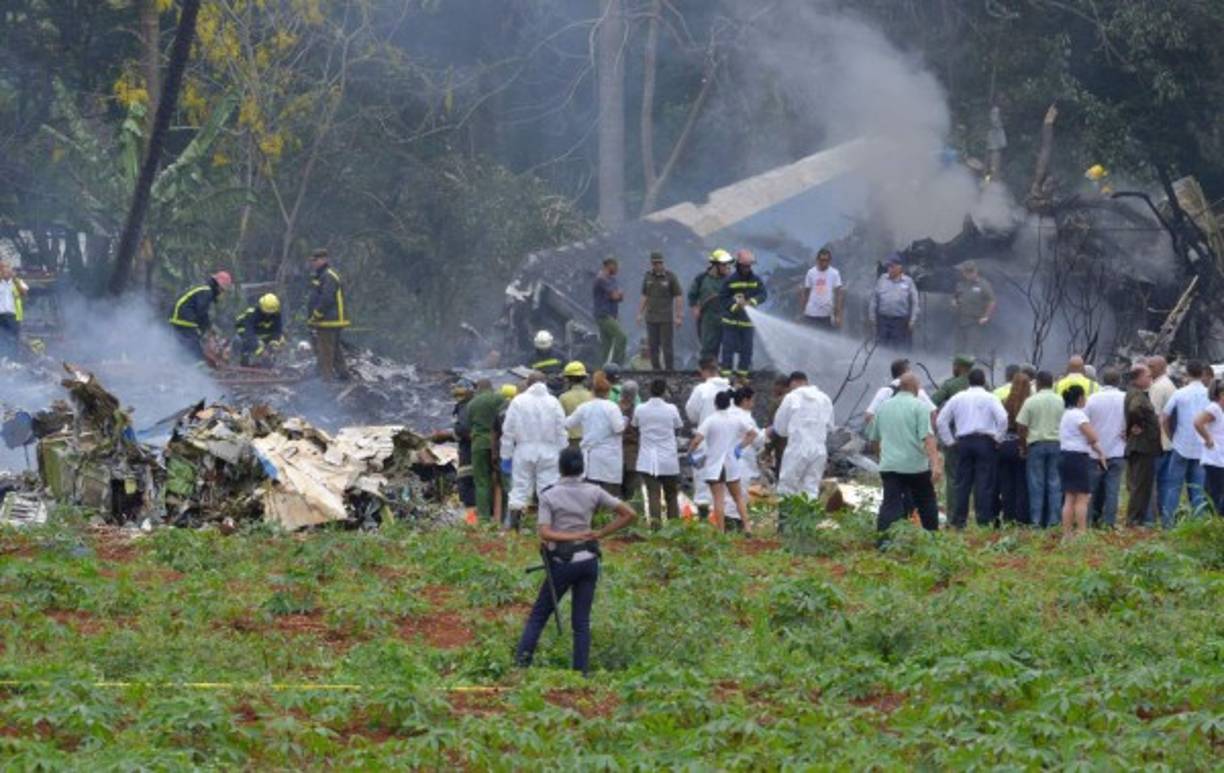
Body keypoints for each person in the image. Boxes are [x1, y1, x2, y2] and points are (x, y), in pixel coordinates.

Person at [514, 446, 636, 676]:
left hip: (562, 562)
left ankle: (520, 666)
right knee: (581, 622)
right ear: (582, 468)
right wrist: (600, 533)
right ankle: (581, 674)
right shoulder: (594, 491)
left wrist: (571, 536)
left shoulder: (549, 495)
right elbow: (629, 514)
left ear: (560, 468)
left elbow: (545, 533)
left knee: (539, 616)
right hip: (588, 560)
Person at [868, 372, 943, 534]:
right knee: (926, 502)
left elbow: (874, 439)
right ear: (915, 387)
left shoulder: (883, 407)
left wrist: (881, 458)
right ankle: (932, 537)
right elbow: (928, 438)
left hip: (890, 466)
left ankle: (883, 541)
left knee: (890, 504)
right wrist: (935, 464)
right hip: (915, 466)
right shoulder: (919, 406)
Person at [936, 368, 1007, 528]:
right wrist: (998, 439)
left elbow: (941, 420)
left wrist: (949, 441)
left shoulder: (958, 397)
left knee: (962, 483)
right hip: (985, 442)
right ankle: (983, 521)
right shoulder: (991, 397)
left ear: (969, 381)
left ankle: (959, 521)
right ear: (984, 381)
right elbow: (1003, 418)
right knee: (984, 483)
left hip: (964, 442)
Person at [500, 373, 568, 531]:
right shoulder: (554, 402)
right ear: (545, 383)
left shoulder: (518, 401)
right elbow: (561, 430)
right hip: (549, 451)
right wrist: (562, 452)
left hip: (523, 450)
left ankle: (514, 528)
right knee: (548, 488)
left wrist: (506, 455)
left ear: (528, 383)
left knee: (519, 488)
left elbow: (508, 431)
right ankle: (548, 528)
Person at [689, 390, 758, 532]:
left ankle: (721, 531)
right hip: (731, 463)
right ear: (729, 403)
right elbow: (753, 434)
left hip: (715, 465)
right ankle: (747, 527)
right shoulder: (736, 419)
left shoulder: (710, 420)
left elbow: (697, 440)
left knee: (718, 499)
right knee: (738, 497)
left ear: (715, 404)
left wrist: (690, 453)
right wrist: (740, 447)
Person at [1160, 360, 1211, 523]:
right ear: (1203, 373)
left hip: (1181, 444)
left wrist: (1171, 436)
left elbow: (1164, 417)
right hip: (1202, 446)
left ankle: (1168, 523)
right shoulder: (1209, 394)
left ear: (1187, 373)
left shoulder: (1180, 393)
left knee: (1173, 487)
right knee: (1198, 489)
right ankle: (1198, 524)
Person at [771, 371, 834, 499]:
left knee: (787, 487)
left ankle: (787, 512)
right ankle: (808, 511)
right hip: (819, 450)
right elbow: (830, 426)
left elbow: (780, 428)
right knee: (811, 488)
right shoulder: (825, 399)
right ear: (806, 381)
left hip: (797, 448)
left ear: (792, 384)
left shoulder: (791, 398)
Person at [565, 372, 627, 497]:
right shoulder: (612, 407)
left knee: (590, 494)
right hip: (609, 456)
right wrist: (625, 419)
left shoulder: (584, 407)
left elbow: (567, 423)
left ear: (592, 391)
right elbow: (619, 429)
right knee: (609, 496)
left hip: (590, 456)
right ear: (608, 392)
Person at [685, 357, 732, 519]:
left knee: (703, 480)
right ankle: (724, 519)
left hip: (705, 440)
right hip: (727, 441)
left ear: (703, 371)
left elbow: (691, 413)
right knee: (726, 480)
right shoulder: (730, 389)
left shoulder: (701, 389)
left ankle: (704, 518)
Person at [1059, 385, 1107, 541]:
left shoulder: (1066, 414)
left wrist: (1100, 452)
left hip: (1065, 456)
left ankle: (1067, 534)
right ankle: (1081, 532)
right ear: (1080, 398)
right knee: (1082, 497)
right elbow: (1093, 437)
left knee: (1069, 497)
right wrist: (1099, 449)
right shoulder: (1079, 415)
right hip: (1078, 458)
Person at [1017, 370, 1065, 528]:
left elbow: (1022, 426)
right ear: (1052, 383)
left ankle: (1036, 521)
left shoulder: (1031, 401)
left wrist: (1023, 446)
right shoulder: (1061, 400)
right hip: (1056, 444)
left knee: (1036, 484)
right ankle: (1054, 520)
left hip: (1036, 445)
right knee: (1055, 483)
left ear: (1037, 383)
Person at [634, 379, 683, 528]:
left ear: (649, 390)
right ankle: (674, 528)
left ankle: (656, 529)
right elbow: (678, 425)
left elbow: (634, 425)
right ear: (664, 391)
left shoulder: (640, 409)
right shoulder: (671, 409)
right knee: (671, 495)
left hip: (647, 459)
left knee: (653, 494)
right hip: (668, 459)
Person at [1083, 367, 1127, 528]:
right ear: (1119, 381)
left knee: (1090, 490)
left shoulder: (1092, 399)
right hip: (1117, 450)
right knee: (1112, 490)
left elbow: (1083, 422)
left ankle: (1087, 521)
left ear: (1102, 380)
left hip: (1094, 451)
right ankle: (1109, 523)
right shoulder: (1125, 398)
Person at [932, 354, 975, 509]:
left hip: (954, 438)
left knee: (953, 477)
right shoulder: (983, 384)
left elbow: (932, 402)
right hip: (979, 438)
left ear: (958, 367)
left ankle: (954, 513)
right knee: (977, 478)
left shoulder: (950, 384)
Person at [719, 249, 767, 377]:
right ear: (738, 265)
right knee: (728, 350)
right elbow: (723, 298)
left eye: (749, 266)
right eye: (745, 266)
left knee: (746, 351)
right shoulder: (730, 280)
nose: (747, 269)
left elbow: (763, 294)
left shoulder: (756, 279)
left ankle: (742, 376)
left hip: (747, 323)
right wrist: (735, 306)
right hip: (730, 322)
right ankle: (726, 376)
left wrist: (752, 301)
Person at [1124, 364, 1161, 528]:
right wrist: (1138, 424)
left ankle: (1136, 519)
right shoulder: (1137, 395)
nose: (1150, 379)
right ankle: (1134, 521)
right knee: (1140, 486)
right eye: (1148, 376)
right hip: (1143, 446)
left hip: (1142, 446)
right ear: (1138, 378)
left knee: (1139, 484)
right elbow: (1134, 409)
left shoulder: (1134, 393)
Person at [466, 381, 508, 522]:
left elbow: (468, 426)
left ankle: (484, 518)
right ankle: (505, 517)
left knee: (482, 482)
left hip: (479, 444)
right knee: (504, 481)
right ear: (491, 387)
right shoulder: (501, 399)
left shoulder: (472, 404)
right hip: (500, 445)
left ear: (478, 389)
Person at [305, 249, 350, 381]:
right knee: (334, 349)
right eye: (312, 260)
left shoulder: (328, 276)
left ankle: (326, 381)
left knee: (325, 351)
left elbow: (326, 299)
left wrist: (316, 315)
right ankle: (343, 375)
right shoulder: (322, 275)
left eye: (316, 260)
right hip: (330, 319)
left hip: (328, 320)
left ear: (324, 259)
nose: (313, 263)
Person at [169, 271, 232, 360]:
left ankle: (178, 363)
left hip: (179, 316)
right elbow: (202, 313)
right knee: (195, 350)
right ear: (218, 286)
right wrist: (205, 329)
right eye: (222, 290)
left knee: (184, 346)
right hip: (184, 317)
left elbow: (202, 313)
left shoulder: (204, 289)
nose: (221, 293)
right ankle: (198, 366)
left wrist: (207, 328)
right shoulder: (207, 291)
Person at [726, 386, 764, 532]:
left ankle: (727, 525)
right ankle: (736, 526)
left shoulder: (727, 413)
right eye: (752, 400)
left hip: (725, 460)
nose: (753, 404)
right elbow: (758, 440)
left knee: (726, 494)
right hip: (741, 461)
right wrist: (767, 432)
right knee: (739, 494)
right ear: (745, 401)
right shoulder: (745, 417)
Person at [637, 252, 683, 370]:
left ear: (663, 262)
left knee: (667, 346)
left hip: (665, 318)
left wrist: (678, 316)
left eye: (659, 262)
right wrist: (639, 313)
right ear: (651, 263)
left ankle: (669, 370)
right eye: (655, 263)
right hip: (651, 317)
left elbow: (678, 296)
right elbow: (644, 296)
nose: (657, 265)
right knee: (653, 346)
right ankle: (656, 370)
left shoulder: (670, 277)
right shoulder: (648, 276)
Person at [997, 370, 1032, 525]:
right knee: (1022, 483)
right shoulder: (1029, 403)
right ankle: (1021, 517)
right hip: (1021, 445)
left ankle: (1008, 516)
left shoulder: (1004, 402)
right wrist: (1024, 447)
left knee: (1006, 483)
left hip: (1005, 445)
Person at [688, 249, 733, 361]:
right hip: (708, 319)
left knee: (729, 348)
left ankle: (725, 369)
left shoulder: (730, 279)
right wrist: (695, 308)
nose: (727, 267)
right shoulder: (701, 279)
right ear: (715, 265)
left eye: (728, 264)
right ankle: (709, 368)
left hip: (727, 318)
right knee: (708, 349)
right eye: (724, 265)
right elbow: (692, 295)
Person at [1147, 355, 1177, 522]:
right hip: (1169, 442)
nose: (1148, 369)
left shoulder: (1158, 387)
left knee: (1150, 482)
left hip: (1158, 442)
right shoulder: (1170, 384)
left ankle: (1150, 519)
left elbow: (1154, 416)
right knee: (1165, 482)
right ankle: (1166, 518)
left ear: (1162, 367)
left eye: (1151, 366)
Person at [869, 253, 919, 349]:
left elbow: (915, 302)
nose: (889, 269)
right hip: (883, 321)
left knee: (899, 348)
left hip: (900, 322)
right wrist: (872, 318)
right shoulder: (882, 279)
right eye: (888, 266)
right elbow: (874, 299)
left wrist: (912, 321)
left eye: (892, 266)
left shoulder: (908, 282)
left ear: (899, 267)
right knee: (881, 347)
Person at [865, 358, 936, 426]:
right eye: (910, 371)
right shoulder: (918, 392)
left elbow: (868, 416)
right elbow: (933, 413)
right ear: (907, 372)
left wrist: (880, 431)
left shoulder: (884, 392)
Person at [951, 260, 996, 358]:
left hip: (975, 322)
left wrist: (986, 316)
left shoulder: (983, 285)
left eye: (970, 272)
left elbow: (991, 301)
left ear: (975, 271)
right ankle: (959, 366)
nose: (967, 274)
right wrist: (954, 302)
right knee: (959, 349)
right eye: (965, 272)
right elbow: (956, 296)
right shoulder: (960, 284)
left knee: (973, 349)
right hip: (961, 320)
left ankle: (974, 366)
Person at [1192, 380, 1224, 516]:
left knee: (1216, 492)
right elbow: (1197, 422)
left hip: (1219, 458)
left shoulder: (1220, 409)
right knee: (1217, 494)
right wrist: (1208, 439)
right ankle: (1214, 519)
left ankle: (1213, 518)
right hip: (1214, 458)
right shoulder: (1214, 408)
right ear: (1221, 394)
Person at [233, 293, 285, 366]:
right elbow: (249, 333)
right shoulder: (252, 314)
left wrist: (274, 346)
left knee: (279, 341)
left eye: (271, 313)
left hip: (259, 334)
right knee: (240, 341)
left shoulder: (276, 315)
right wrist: (260, 351)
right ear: (261, 307)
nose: (268, 315)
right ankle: (241, 361)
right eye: (266, 312)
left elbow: (277, 332)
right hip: (245, 332)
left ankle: (268, 364)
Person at [798, 247, 844, 330]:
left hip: (826, 314)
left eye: (826, 260)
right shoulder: (811, 272)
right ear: (817, 260)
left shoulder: (835, 273)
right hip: (810, 313)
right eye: (822, 260)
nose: (824, 263)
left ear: (830, 261)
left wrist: (838, 315)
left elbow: (839, 295)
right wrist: (801, 312)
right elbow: (806, 293)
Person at [593, 257, 626, 366]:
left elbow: (619, 297)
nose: (617, 268)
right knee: (621, 337)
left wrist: (618, 295)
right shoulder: (601, 279)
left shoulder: (612, 279)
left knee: (606, 345)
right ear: (609, 265)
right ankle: (617, 365)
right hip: (603, 315)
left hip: (611, 315)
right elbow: (615, 296)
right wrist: (618, 295)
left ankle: (599, 368)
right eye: (616, 266)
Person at [618, 380, 642, 506]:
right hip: (632, 453)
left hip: (616, 452)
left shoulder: (614, 409)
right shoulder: (638, 411)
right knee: (631, 489)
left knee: (616, 489)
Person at [559, 361, 593, 446]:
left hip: (571, 441)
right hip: (589, 440)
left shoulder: (563, 398)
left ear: (568, 379)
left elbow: (560, 422)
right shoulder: (591, 396)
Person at [0, 262, 28, 360]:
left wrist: (15, 280)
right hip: (0, 316)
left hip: (13, 317)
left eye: (7, 269)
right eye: (2, 269)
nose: (5, 271)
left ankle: (12, 361)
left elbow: (25, 292)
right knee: (2, 340)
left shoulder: (18, 281)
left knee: (13, 340)